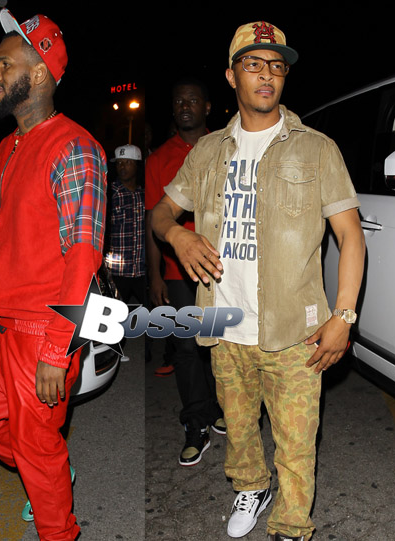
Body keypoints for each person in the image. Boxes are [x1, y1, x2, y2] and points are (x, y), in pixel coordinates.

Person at [150, 21, 365, 541]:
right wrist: (178, 237)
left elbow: (352, 237)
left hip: (295, 332)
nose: (266, 75)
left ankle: (291, 525)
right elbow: (160, 213)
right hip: (225, 325)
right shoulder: (207, 152)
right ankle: (251, 487)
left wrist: (344, 317)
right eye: (253, 64)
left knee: (297, 443)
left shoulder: (317, 149)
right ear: (232, 76)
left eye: (276, 66)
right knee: (239, 429)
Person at [0, 9, 107, 541]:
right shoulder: (7, 145)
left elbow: (82, 256)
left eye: (4, 64)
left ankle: (57, 521)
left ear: (38, 73)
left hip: (41, 327)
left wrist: (57, 349)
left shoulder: (75, 148)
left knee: (37, 447)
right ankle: (50, 468)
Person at [145, 77, 225, 466]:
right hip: (179, 272)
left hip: (223, 268)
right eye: (179, 101)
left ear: (207, 107)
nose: (185, 106)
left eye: (193, 100)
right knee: (187, 348)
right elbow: (153, 220)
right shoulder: (159, 158)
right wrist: (155, 275)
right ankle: (196, 423)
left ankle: (220, 408)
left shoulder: (226, 146)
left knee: (222, 342)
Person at [104, 144, 145, 305]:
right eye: (119, 162)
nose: (122, 166)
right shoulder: (109, 192)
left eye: (128, 162)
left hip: (141, 270)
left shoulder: (144, 193)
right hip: (117, 270)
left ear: (137, 165)